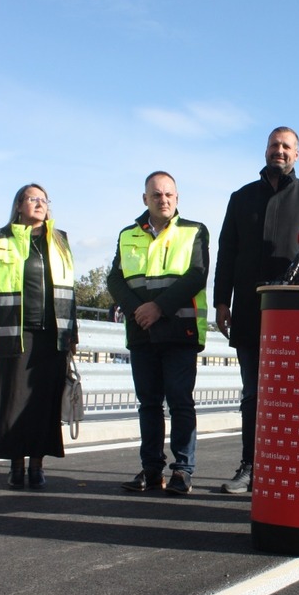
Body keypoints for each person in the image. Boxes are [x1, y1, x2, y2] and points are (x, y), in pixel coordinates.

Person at [213, 127, 299, 494]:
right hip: (249, 310)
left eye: (287, 146)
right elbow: (227, 251)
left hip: (295, 316)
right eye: (275, 145)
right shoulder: (241, 197)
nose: (280, 150)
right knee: (252, 395)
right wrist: (221, 301)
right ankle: (250, 466)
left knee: (293, 397)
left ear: (297, 154)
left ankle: (288, 467)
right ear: (265, 150)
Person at [108, 172, 209, 496]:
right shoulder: (127, 235)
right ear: (145, 199)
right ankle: (151, 469)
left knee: (180, 401)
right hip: (142, 332)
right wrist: (138, 309)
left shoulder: (194, 231)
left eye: (168, 194)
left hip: (179, 329)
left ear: (177, 198)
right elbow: (114, 279)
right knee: (148, 404)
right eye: (156, 195)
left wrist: (158, 308)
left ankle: (182, 470)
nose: (162, 200)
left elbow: (197, 275)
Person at [0, 184, 77, 490]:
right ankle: (16, 464)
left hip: (53, 336)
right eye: (33, 199)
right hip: (16, 334)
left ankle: (37, 464)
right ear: (19, 205)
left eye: (44, 200)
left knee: (44, 403)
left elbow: (69, 291)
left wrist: (72, 334)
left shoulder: (59, 240)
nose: (40, 204)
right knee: (14, 402)